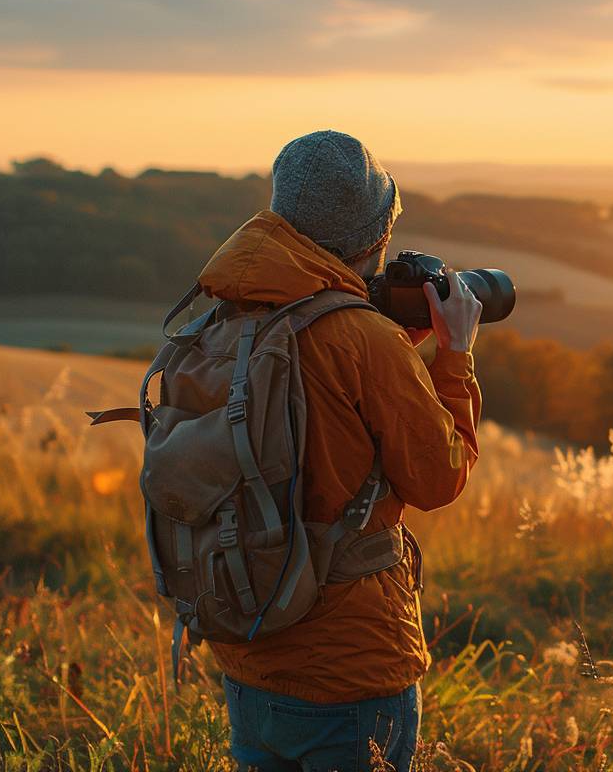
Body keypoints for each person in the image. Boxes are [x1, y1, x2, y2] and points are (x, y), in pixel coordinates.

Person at [198, 130, 482, 771]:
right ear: (376, 236)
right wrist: (454, 357)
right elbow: (438, 480)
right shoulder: (363, 340)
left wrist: (393, 354)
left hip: (247, 652)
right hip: (348, 670)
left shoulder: (232, 312)